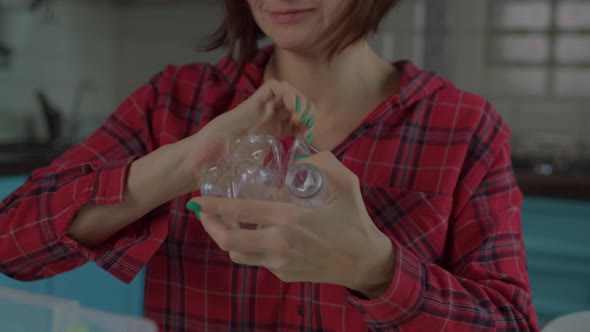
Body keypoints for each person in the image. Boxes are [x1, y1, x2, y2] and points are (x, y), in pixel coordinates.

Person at [0, 0, 539, 331]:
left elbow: (511, 323)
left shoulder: (464, 126)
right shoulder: (176, 101)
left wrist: (376, 268)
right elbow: (12, 242)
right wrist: (186, 161)